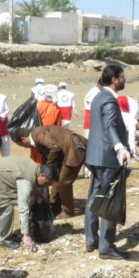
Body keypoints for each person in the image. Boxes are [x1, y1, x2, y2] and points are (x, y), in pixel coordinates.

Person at [84, 65, 131, 261]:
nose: (124, 80)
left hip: (94, 155)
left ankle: (91, 239)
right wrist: (120, 147)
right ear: (114, 79)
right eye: (122, 77)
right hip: (107, 157)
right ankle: (106, 247)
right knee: (111, 199)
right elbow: (110, 127)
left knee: (94, 197)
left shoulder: (98, 96)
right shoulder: (110, 100)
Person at [0, 156, 57, 251]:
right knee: (6, 206)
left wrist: (34, 190)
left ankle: (2, 234)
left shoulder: (34, 168)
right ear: (42, 175)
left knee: (21, 199)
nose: (45, 186)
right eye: (47, 183)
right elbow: (23, 207)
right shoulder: (26, 180)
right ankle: (4, 239)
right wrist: (26, 236)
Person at [16, 125, 88, 219]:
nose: (25, 147)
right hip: (68, 150)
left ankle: (68, 211)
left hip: (74, 149)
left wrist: (48, 167)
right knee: (55, 179)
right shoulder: (37, 138)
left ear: (23, 139)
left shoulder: (37, 135)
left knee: (63, 181)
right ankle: (54, 207)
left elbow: (55, 147)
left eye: (22, 145)